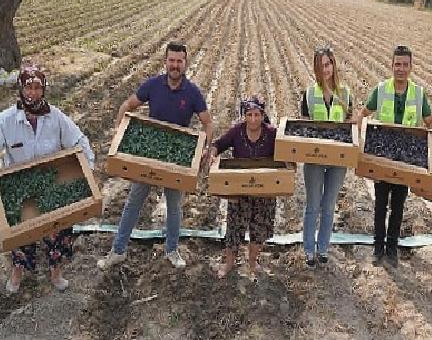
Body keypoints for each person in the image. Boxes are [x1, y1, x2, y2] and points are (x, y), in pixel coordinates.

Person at [97, 42, 213, 270]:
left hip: (177, 158)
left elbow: (208, 123)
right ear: (166, 62)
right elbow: (127, 105)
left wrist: (206, 148)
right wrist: (118, 134)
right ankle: (118, 250)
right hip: (149, 155)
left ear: (185, 63)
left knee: (174, 207)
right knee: (133, 203)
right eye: (172, 60)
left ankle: (171, 250)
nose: (175, 65)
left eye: (180, 61)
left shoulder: (192, 92)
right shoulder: (153, 85)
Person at [1, 66, 95, 293]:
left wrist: (87, 169)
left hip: (51, 181)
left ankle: (56, 272)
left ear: (43, 91)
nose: (33, 93)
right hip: (21, 184)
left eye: (37, 88)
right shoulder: (6, 120)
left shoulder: (55, 117)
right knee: (22, 232)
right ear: (21, 89)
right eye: (28, 87)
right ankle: (17, 272)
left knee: (59, 229)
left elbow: (79, 141)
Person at [355, 45, 432, 268]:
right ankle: (378, 248)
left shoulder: (418, 94)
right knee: (380, 204)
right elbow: (363, 113)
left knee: (398, 205)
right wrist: (359, 141)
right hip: (381, 159)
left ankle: (392, 249)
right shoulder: (381, 89)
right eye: (397, 64)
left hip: (405, 162)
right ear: (391, 66)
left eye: (405, 65)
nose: (401, 69)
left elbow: (430, 123)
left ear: (411, 67)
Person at [210, 96, 277, 279]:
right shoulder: (237, 132)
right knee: (234, 228)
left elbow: (286, 150)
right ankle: (229, 263)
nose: (253, 119)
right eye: (249, 115)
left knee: (259, 227)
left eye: (257, 115)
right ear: (244, 115)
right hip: (239, 190)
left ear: (263, 115)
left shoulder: (271, 133)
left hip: (264, 189)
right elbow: (218, 144)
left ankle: (253, 262)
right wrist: (213, 154)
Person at [301, 46, 352, 268]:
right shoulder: (309, 94)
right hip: (314, 157)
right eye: (320, 66)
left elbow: (350, 124)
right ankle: (309, 250)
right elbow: (302, 125)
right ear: (316, 68)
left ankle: (323, 249)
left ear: (333, 65)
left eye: (328, 64)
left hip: (338, 160)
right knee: (313, 204)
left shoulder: (345, 94)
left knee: (329, 204)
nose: (325, 70)